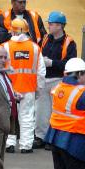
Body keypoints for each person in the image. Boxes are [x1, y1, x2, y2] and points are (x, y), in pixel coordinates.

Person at [34, 11, 77, 150]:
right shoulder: (46, 39)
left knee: (56, 112)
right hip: (43, 80)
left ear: (59, 26)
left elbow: (70, 64)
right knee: (41, 111)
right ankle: (41, 137)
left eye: (51, 24)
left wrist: (52, 63)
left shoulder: (69, 43)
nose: (49, 26)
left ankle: (53, 140)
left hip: (59, 80)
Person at [4, 19, 45, 154]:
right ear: (27, 30)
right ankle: (26, 146)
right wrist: (38, 89)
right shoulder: (34, 48)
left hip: (9, 89)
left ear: (13, 30)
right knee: (27, 116)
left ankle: (9, 144)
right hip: (28, 88)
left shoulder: (5, 47)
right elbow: (41, 72)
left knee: (9, 116)